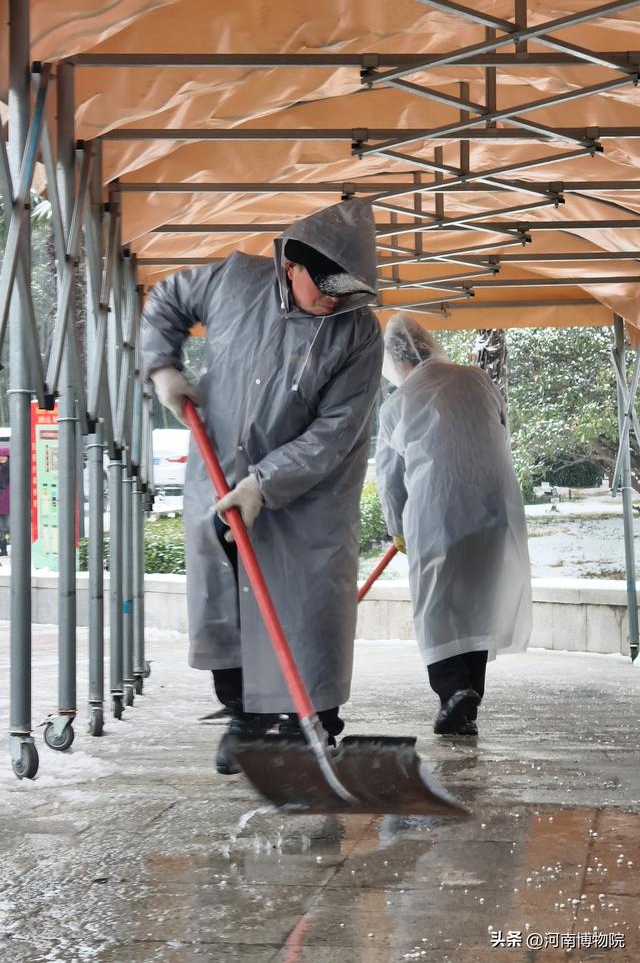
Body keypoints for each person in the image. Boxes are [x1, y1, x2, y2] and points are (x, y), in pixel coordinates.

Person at [141, 199, 383, 773]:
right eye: (323, 285)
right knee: (227, 603)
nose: (333, 299)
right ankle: (246, 720)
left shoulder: (358, 333)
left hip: (310, 492)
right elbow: (167, 300)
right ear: (291, 266)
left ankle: (316, 725)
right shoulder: (235, 279)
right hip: (220, 469)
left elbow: (336, 430)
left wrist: (264, 485)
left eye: (345, 290)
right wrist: (163, 369)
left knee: (308, 609)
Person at [375, 314, 531, 737]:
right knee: (476, 605)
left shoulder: (397, 405)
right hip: (495, 507)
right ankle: (467, 703)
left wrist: (397, 529)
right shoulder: (478, 379)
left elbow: (389, 481)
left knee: (437, 607)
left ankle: (452, 693)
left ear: (396, 361)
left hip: (437, 509)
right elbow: (496, 430)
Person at [0, 447, 9, 558]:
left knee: (6, 527)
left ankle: (4, 548)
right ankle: (3, 549)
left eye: (4, 456)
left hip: (7, 502)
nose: (2, 458)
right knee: (2, 528)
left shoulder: (11, 469)